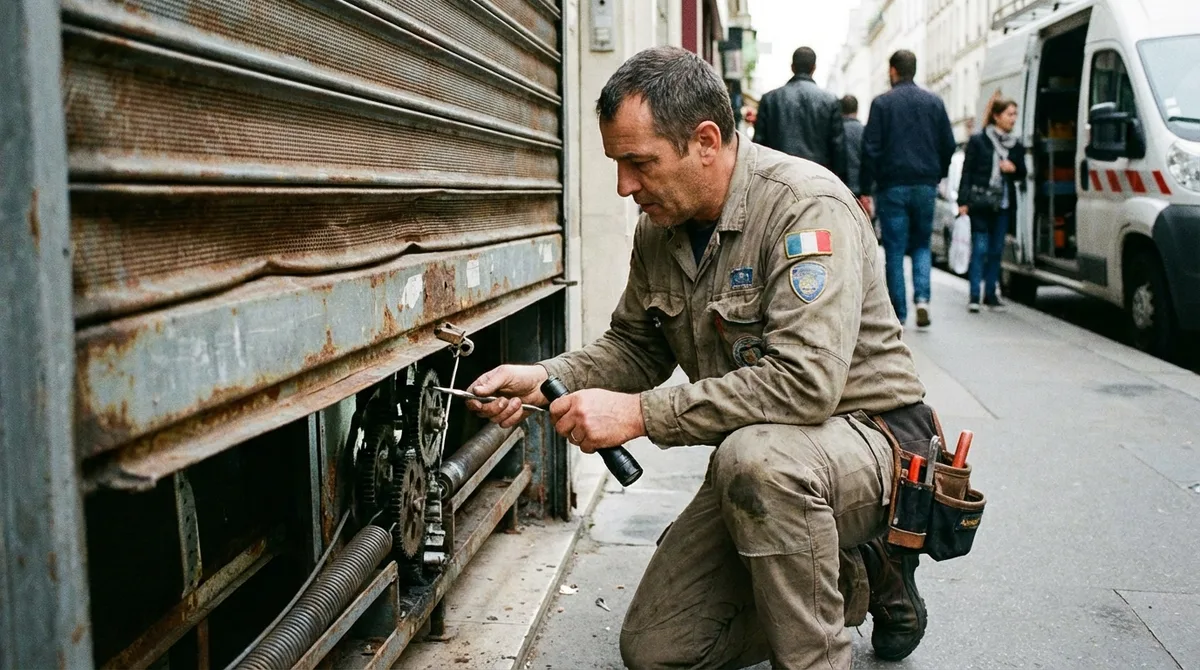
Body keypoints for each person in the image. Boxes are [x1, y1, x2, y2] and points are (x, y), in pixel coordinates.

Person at [464, 46, 936, 669]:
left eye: (639, 164)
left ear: (706, 141)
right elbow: (634, 346)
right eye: (617, 165)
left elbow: (805, 385)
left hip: (872, 440)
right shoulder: (659, 228)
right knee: (657, 650)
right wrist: (544, 378)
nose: (624, 187)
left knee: (756, 462)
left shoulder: (804, 208)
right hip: (770, 458)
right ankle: (858, 576)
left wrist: (637, 414)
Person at [860, 50, 956, 330]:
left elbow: (870, 149)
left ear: (893, 71)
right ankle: (923, 299)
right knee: (921, 245)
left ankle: (899, 312)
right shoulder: (934, 102)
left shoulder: (882, 104)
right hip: (925, 184)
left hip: (892, 186)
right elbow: (948, 144)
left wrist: (867, 188)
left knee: (894, 249)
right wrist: (938, 173)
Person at [958, 96, 1026, 312]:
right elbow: (967, 171)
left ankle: (991, 295)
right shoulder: (979, 140)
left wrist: (1013, 168)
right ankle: (974, 295)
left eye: (1015, 114)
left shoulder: (1016, 145)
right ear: (997, 116)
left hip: (1003, 205)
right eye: (1009, 114)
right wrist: (963, 201)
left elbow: (1023, 173)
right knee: (979, 248)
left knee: (996, 250)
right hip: (980, 203)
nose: (1013, 119)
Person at [753, 47, 846, 181]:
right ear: (814, 68)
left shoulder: (770, 99)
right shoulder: (830, 101)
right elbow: (838, 148)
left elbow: (759, 144)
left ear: (792, 67)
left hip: (779, 177)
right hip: (818, 178)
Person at [841, 95, 865, 198]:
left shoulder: (835, 131)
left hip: (841, 185)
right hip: (860, 186)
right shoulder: (864, 131)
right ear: (857, 110)